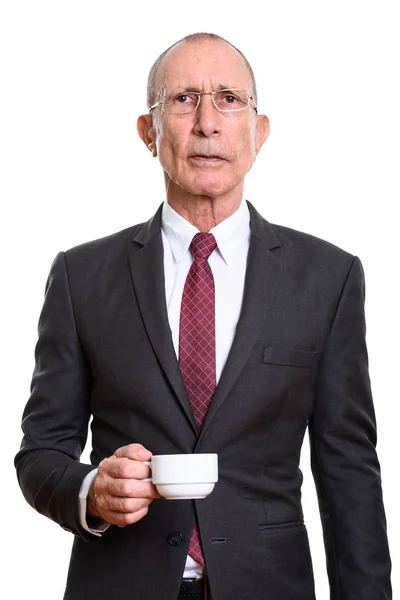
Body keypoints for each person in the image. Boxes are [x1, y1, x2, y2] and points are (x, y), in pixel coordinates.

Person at [15, 32, 392, 600]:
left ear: (259, 132)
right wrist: (91, 489)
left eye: (230, 99)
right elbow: (40, 450)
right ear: (149, 132)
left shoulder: (328, 278)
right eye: (184, 99)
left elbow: (349, 473)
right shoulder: (81, 276)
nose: (208, 123)